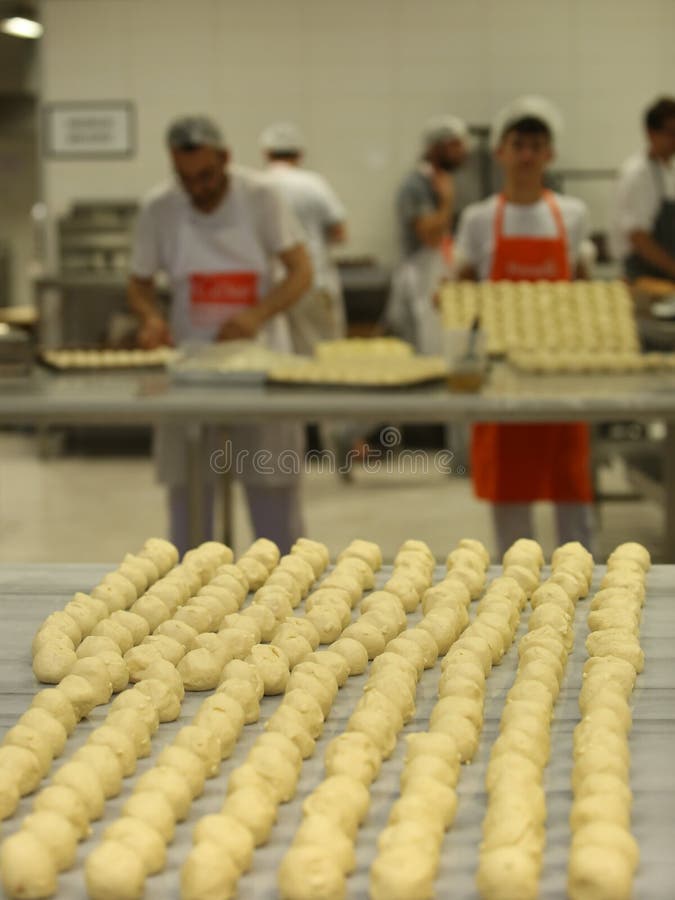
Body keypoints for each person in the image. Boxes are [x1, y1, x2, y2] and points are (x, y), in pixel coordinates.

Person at [128, 115, 312, 554]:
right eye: (185, 177)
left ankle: (284, 590)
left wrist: (257, 315)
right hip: (191, 365)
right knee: (189, 497)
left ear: (226, 159)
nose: (198, 187)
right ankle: (191, 593)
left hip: (262, 363)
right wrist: (151, 317)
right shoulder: (160, 207)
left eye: (207, 175)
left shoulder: (261, 198)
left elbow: (302, 270)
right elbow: (139, 284)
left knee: (273, 499)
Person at [453, 96, 593, 554]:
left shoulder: (571, 215)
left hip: (559, 373)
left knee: (570, 486)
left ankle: (582, 580)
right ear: (501, 153)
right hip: (501, 377)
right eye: (518, 144)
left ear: (550, 153)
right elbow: (462, 291)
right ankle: (513, 589)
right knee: (510, 494)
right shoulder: (478, 220)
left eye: (537, 144)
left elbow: (584, 288)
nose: (528, 155)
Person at [260, 121, 348, 355]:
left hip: (271, 290)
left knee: (278, 357)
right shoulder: (314, 184)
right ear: (299, 155)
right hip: (313, 282)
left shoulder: (258, 186)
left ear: (266, 153)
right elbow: (340, 232)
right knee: (321, 355)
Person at [387, 115, 469, 353]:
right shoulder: (416, 185)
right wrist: (446, 202)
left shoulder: (440, 181)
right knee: (425, 348)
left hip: (435, 274)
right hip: (419, 278)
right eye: (456, 145)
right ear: (437, 148)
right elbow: (430, 235)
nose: (463, 152)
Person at [612, 96, 675, 282]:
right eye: (670, 132)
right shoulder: (638, 174)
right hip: (642, 277)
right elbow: (639, 237)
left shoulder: (666, 170)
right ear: (650, 133)